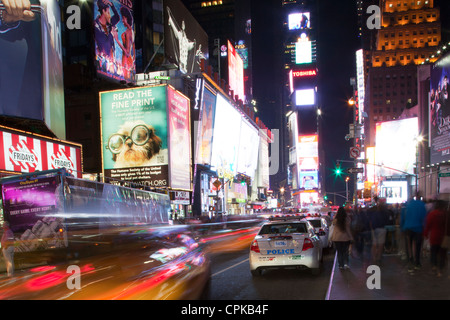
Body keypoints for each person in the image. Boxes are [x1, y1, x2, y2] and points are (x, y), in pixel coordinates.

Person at [403, 193, 427, 273]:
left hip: (408, 227)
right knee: (417, 245)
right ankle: (417, 262)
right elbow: (424, 217)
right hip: (418, 227)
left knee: (409, 244)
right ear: (420, 197)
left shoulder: (409, 204)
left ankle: (410, 260)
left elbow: (404, 215)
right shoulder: (422, 205)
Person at [424, 200, 447, 277]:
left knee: (433, 252)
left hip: (434, 236)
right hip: (443, 236)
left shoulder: (432, 214)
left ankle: (434, 266)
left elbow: (428, 225)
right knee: (442, 253)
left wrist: (426, 234)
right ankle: (441, 269)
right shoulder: (445, 214)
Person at [369, 197, 390, 265]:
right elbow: (387, 220)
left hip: (374, 228)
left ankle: (374, 258)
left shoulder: (373, 211)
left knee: (374, 244)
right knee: (380, 244)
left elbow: (370, 220)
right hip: (381, 228)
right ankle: (378, 258)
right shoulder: (385, 212)